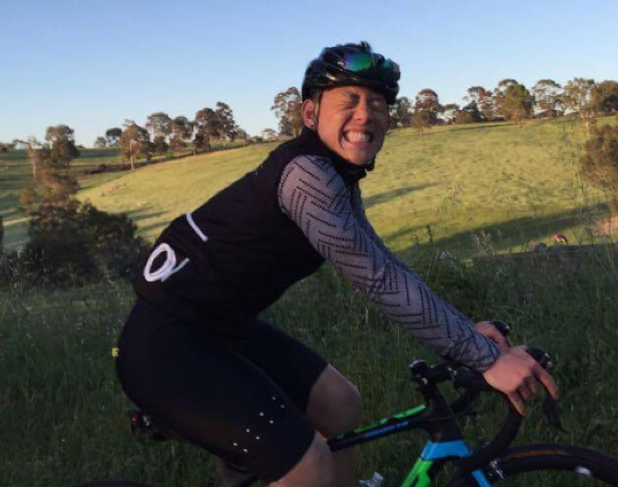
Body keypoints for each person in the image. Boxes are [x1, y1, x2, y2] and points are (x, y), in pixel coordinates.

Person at [115, 41, 558, 487]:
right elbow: (377, 280)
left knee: (340, 404)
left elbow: (380, 260)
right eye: (349, 101)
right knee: (307, 466)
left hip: (220, 329)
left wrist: (464, 333)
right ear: (310, 114)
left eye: (377, 104)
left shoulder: (334, 175)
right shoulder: (306, 177)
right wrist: (485, 358)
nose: (366, 114)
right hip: (166, 346)